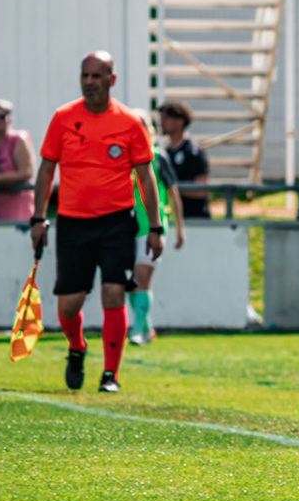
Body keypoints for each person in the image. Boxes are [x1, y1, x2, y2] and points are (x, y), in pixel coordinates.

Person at [29, 52, 162, 394]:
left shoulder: (130, 122)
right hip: (73, 222)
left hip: (117, 221)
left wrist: (156, 228)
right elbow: (46, 170)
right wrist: (39, 218)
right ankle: (77, 348)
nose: (89, 82)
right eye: (85, 75)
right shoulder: (63, 118)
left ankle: (110, 375)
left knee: (113, 292)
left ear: (111, 80)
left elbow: (146, 177)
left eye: (97, 76)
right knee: (68, 305)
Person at [128, 113, 185, 345]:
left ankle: (138, 330)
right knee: (131, 283)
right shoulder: (122, 158)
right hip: (126, 227)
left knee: (142, 278)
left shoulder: (158, 158)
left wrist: (180, 229)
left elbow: (173, 194)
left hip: (152, 226)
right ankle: (146, 327)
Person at [160, 100, 213, 220]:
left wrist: (172, 188)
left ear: (180, 121)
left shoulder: (193, 151)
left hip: (195, 219)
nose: (161, 123)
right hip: (174, 219)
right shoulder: (166, 152)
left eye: (166, 118)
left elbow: (202, 190)